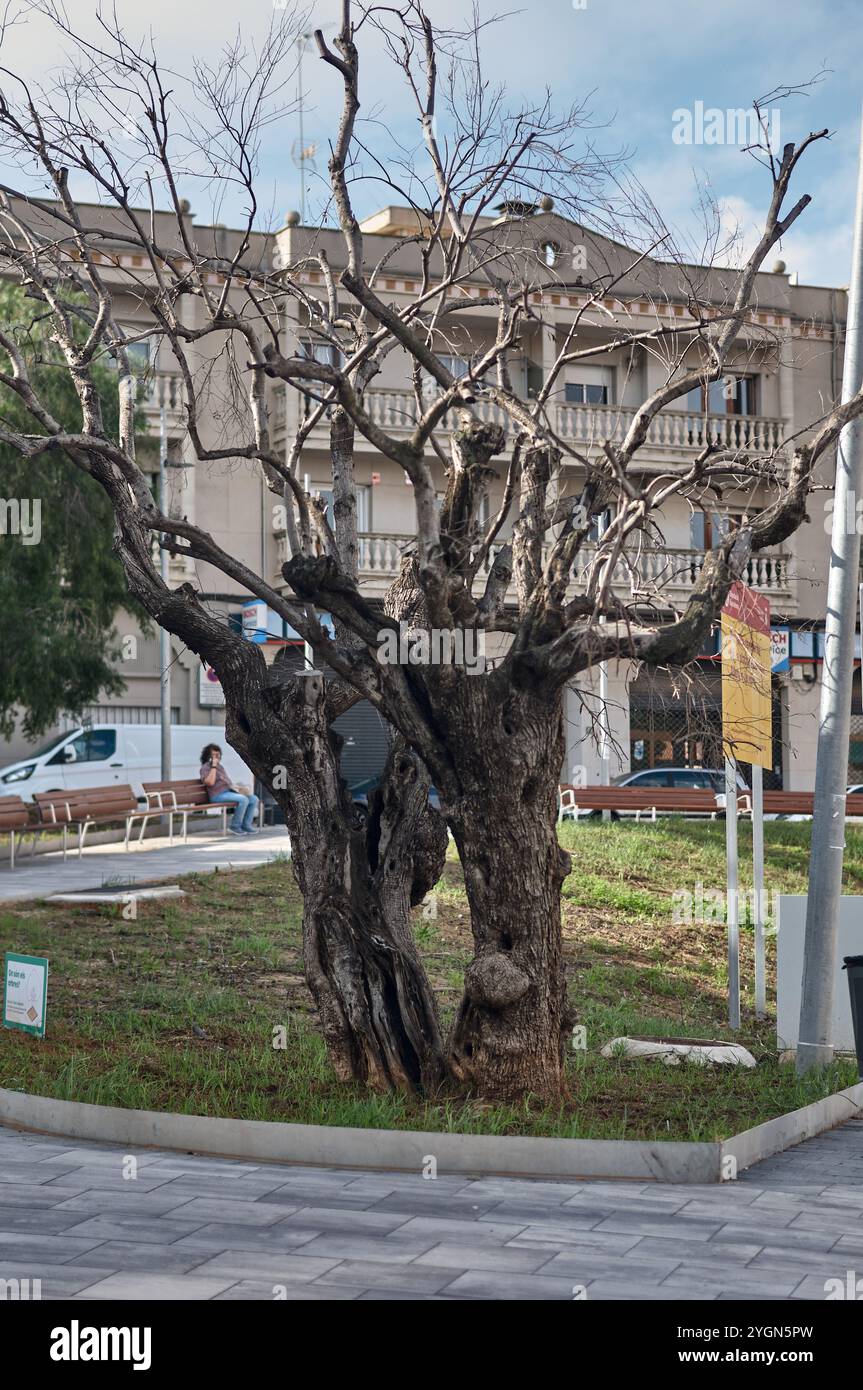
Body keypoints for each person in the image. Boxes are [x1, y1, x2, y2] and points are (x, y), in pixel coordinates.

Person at [199, 743, 259, 836]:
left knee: (254, 799)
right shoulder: (205, 767)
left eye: (218, 755)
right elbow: (210, 782)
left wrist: (237, 788)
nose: (216, 758)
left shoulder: (220, 767)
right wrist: (214, 767)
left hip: (228, 792)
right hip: (217, 795)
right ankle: (235, 826)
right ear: (208, 756)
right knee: (243, 800)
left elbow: (228, 782)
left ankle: (246, 825)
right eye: (214, 755)